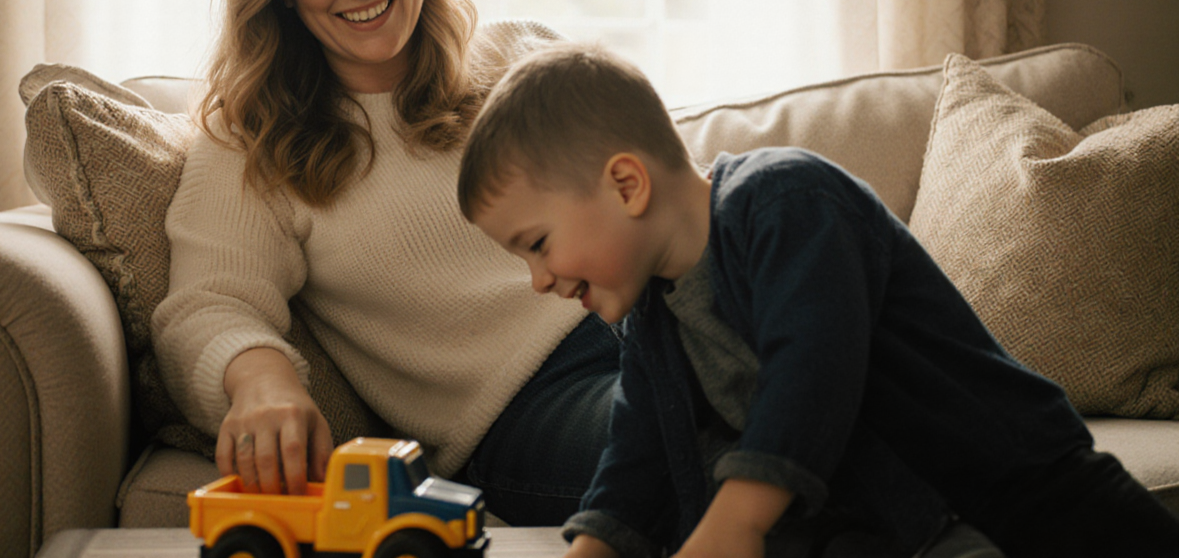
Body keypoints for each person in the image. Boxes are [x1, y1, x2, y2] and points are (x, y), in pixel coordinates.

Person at [457, 43, 1179, 558]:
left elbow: (814, 367)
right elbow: (636, 455)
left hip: (1023, 492)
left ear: (626, 185)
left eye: (538, 243)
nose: (538, 281)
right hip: (892, 527)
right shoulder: (654, 315)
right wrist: (595, 546)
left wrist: (736, 519)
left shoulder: (785, 200)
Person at [149, 0, 619, 526]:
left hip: (662, 320)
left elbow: (670, 193)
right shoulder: (254, 140)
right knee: (747, 419)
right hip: (533, 407)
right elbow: (206, 305)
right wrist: (258, 375)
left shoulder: (522, 55)